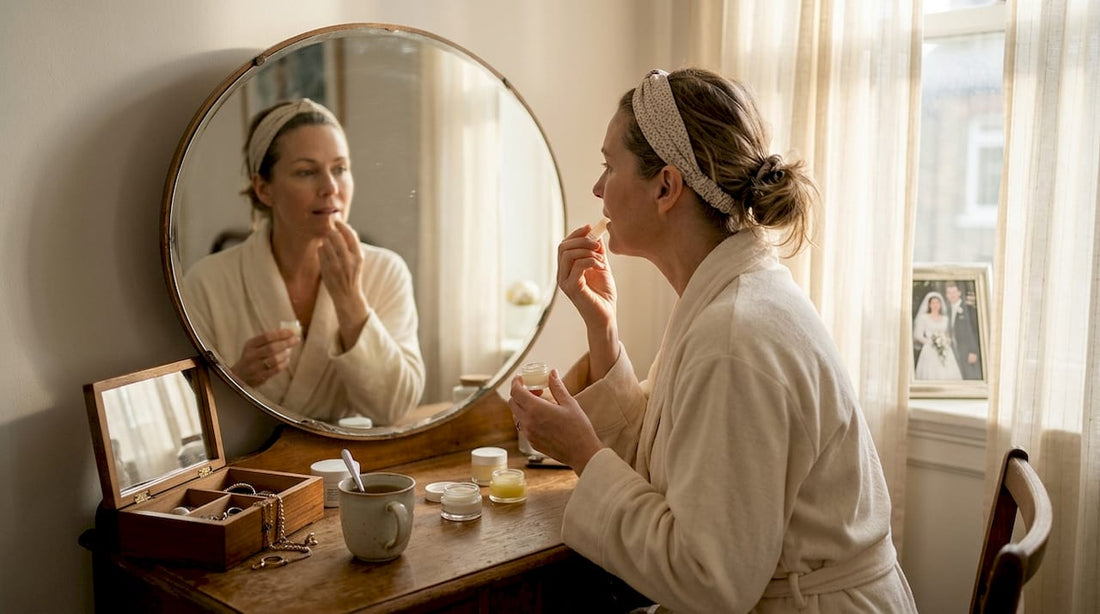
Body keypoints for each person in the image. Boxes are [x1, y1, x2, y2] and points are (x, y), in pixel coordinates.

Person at [508, 68, 917, 612]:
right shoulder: (726, 299)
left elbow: (710, 579)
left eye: (610, 166)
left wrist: (584, 454)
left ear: (666, 187)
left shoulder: (734, 336)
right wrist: (602, 332)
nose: (598, 188)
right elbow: (673, 469)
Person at [182, 99, 425, 426]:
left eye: (340, 168)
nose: (330, 188)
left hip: (355, 469)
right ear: (264, 189)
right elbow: (187, 424)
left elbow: (394, 409)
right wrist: (237, 379)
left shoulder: (386, 272)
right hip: (255, 472)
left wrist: (351, 301)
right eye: (307, 172)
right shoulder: (208, 282)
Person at [913, 291, 963, 380]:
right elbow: (918, 335)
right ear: (929, 305)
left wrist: (944, 341)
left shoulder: (945, 319)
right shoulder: (924, 318)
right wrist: (932, 342)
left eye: (937, 302)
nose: (935, 305)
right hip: (929, 349)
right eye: (933, 303)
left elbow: (948, 334)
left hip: (944, 348)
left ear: (940, 304)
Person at [944, 281, 981, 380]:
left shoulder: (968, 309)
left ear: (959, 293)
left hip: (967, 351)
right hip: (953, 351)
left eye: (954, 292)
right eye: (949, 293)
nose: (951, 295)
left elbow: (975, 331)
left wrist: (973, 351)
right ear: (946, 295)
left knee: (971, 377)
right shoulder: (947, 310)